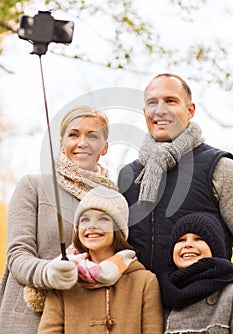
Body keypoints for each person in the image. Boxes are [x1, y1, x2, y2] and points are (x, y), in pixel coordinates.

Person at [0, 106, 117, 334]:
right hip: (29, 320)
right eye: (74, 135)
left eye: (92, 135)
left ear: (104, 147)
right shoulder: (33, 186)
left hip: (85, 320)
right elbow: (17, 254)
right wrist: (47, 272)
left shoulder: (115, 201)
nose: (82, 142)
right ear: (62, 143)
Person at [118, 72, 233, 280]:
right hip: (141, 307)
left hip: (204, 305)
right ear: (145, 112)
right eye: (152, 102)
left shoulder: (220, 167)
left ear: (190, 111)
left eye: (170, 101)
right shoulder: (128, 175)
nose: (160, 110)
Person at [37, 186, 164, 334]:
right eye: (84, 219)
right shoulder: (65, 277)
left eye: (103, 218)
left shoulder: (145, 282)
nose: (92, 225)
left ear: (118, 229)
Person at [160, 213, 233, 333]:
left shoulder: (229, 293)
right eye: (181, 240)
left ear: (215, 248)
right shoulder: (162, 294)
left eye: (199, 239)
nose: (187, 244)